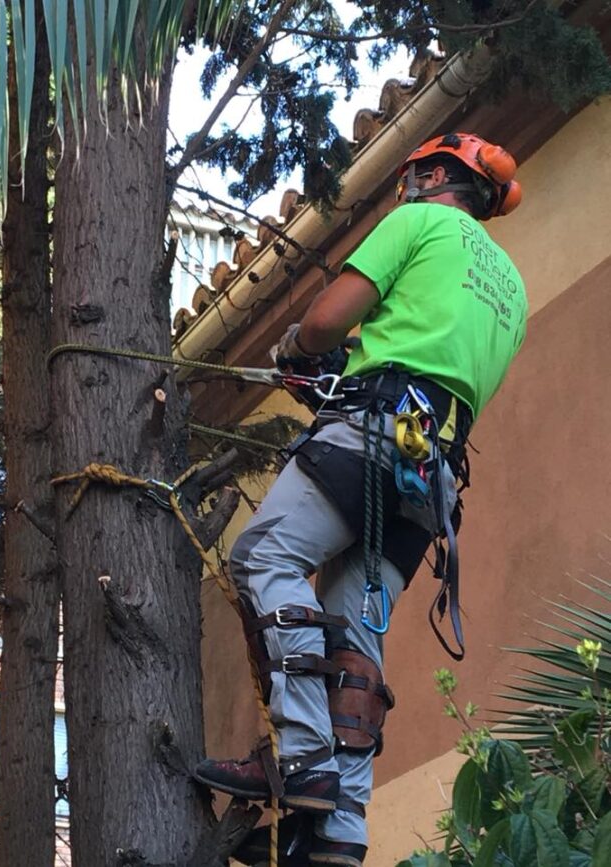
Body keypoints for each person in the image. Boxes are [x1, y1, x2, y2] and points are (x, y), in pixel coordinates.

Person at [194, 132, 528, 866]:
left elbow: (323, 322)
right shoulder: (512, 291)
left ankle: (306, 755)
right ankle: (341, 826)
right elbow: (431, 358)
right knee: (353, 628)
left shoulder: (418, 222)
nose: (403, 189)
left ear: (436, 175)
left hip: (372, 437)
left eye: (413, 177)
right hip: (430, 479)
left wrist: (300, 350)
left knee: (265, 555)